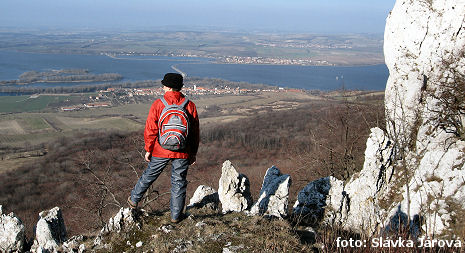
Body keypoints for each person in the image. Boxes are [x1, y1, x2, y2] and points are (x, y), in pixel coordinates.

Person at [128, 73, 199, 223]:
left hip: (161, 149)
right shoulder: (189, 105)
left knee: (150, 175)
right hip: (183, 150)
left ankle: (134, 200)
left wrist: (149, 148)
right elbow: (194, 133)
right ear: (180, 87)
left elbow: (151, 129)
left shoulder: (158, 104)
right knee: (178, 182)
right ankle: (175, 216)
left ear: (166, 86)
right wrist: (192, 153)